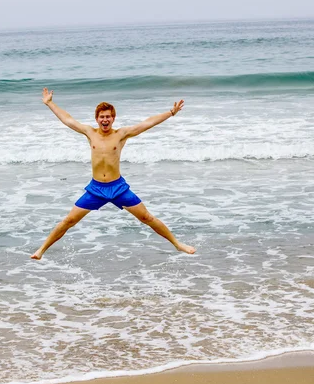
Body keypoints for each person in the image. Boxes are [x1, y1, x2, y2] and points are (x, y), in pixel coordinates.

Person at [31, 88, 196, 260]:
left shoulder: (121, 134)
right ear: (97, 119)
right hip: (96, 189)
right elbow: (68, 120)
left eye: (108, 116)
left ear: (113, 118)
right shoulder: (90, 133)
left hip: (118, 188)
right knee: (68, 221)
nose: (105, 119)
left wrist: (171, 113)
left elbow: (147, 123)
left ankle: (177, 244)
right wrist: (50, 103)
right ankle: (41, 250)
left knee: (147, 217)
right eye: (102, 117)